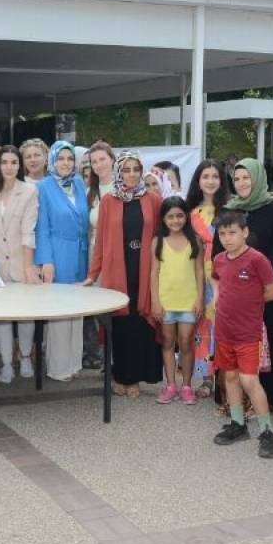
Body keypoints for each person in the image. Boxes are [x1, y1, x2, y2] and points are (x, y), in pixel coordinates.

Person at [215, 159, 273, 411]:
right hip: (235, 293)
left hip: (265, 287)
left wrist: (255, 276)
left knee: (270, 341)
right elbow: (218, 252)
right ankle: (236, 401)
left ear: (258, 178)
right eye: (237, 178)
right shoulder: (229, 210)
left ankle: (271, 400)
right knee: (236, 347)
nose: (241, 183)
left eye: (246, 177)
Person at [84, 150, 163, 396]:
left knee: (141, 323)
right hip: (117, 269)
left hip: (145, 268)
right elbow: (101, 241)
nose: (131, 174)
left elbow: (162, 236)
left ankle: (135, 379)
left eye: (136, 169)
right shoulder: (109, 200)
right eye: (126, 169)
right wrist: (92, 274)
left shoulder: (153, 199)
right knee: (120, 324)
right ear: (119, 171)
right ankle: (121, 376)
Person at [211, 210, 273, 459]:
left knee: (249, 380)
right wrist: (217, 296)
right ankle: (238, 424)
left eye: (232, 233)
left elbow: (272, 292)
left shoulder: (257, 260)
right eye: (222, 234)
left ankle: (267, 432)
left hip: (248, 332)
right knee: (230, 377)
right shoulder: (219, 259)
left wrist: (249, 303)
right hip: (224, 330)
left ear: (245, 232)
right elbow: (215, 278)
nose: (227, 238)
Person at [0, 145, 40, 383]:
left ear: (19, 165)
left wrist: (28, 267)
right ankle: (6, 364)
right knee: (2, 318)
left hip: (21, 262)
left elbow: (28, 232)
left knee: (26, 316)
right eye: (4, 162)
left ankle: (25, 357)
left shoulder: (29, 191)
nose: (9, 167)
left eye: (14, 162)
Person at [35, 141, 89, 382]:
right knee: (59, 312)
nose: (65, 163)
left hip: (80, 254)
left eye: (70, 158)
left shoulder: (78, 183)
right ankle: (57, 367)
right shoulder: (43, 187)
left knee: (77, 312)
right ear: (52, 161)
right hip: (58, 253)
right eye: (61, 158)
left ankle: (74, 363)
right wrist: (46, 261)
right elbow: (42, 228)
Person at [150, 197, 203, 405]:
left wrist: (199, 299)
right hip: (166, 303)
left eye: (180, 216)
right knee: (168, 342)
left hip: (189, 302)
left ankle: (187, 386)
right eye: (170, 216)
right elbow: (154, 273)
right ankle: (171, 385)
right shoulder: (158, 242)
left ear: (186, 217)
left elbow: (199, 272)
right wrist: (155, 301)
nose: (175, 220)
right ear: (163, 219)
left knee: (186, 342)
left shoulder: (195, 240)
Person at [186, 160, 228, 399]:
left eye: (215, 176)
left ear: (221, 180)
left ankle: (223, 376)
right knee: (202, 325)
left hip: (224, 275)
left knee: (221, 322)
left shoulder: (230, 209)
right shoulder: (190, 212)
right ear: (198, 181)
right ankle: (205, 378)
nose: (210, 181)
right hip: (197, 274)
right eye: (205, 176)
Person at [83, 141, 116, 371]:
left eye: (102, 159)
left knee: (116, 306)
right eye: (94, 161)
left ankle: (117, 357)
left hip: (118, 255)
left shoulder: (123, 188)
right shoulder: (90, 193)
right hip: (95, 255)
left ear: (112, 160)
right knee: (98, 308)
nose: (98, 165)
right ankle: (101, 355)